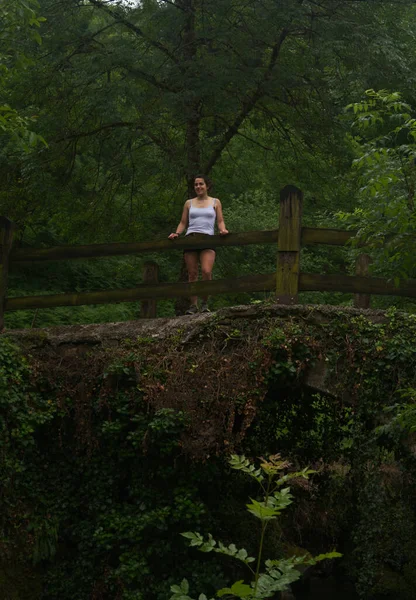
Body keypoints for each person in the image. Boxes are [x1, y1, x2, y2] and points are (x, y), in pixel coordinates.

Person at [168, 175, 229, 314]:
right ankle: (193, 305)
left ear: (207, 186)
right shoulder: (189, 203)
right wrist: (177, 233)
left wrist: (222, 230)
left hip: (208, 238)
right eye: (196, 185)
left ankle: (205, 303)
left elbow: (220, 220)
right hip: (191, 238)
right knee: (192, 273)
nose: (198, 187)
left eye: (201, 184)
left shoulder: (215, 202)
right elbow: (183, 222)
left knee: (206, 271)